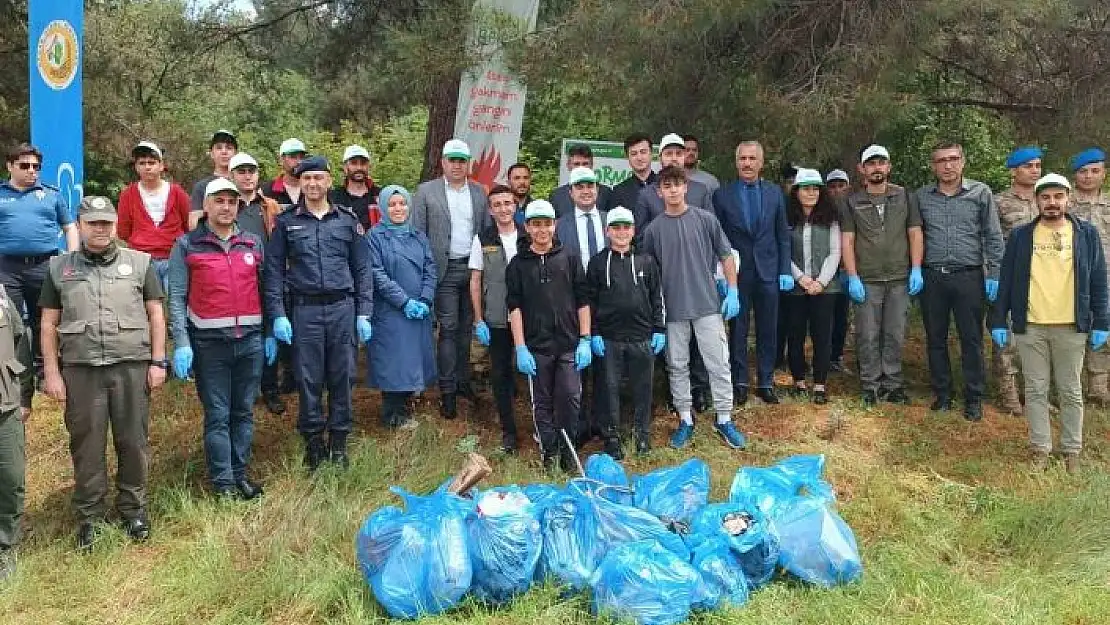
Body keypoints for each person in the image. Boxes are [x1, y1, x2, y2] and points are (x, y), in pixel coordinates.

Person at [39, 196, 167, 551]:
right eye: (92, 223)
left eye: (106, 223)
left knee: (134, 443)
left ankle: (133, 511)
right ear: (79, 226)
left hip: (131, 367)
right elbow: (48, 323)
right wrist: (52, 371)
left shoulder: (140, 263)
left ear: (114, 226)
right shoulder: (58, 268)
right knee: (87, 446)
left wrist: (158, 362)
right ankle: (90, 518)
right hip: (82, 372)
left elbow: (156, 312)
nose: (100, 229)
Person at [990, 173, 1108, 474]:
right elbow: (1006, 281)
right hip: (1031, 326)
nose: (1052, 203)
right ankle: (1040, 449)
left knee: (1070, 390)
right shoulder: (1021, 236)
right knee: (1036, 390)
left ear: (1068, 199)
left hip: (1071, 326)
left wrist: (1101, 321)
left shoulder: (1086, 234)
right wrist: (998, 318)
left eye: (1058, 197)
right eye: (1046, 197)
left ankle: (1071, 451)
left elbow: (1097, 280)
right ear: (1037, 200)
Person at [263, 156, 372, 471]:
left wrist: (364, 312)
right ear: (300, 183)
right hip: (305, 311)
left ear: (328, 181)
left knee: (343, 377)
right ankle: (314, 444)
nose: (312, 184)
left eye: (318, 178)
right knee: (308, 379)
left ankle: (338, 442)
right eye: (306, 178)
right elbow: (273, 273)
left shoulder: (347, 221)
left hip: (342, 309)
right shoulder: (286, 222)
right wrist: (278, 314)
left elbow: (362, 270)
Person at [168, 178, 266, 500]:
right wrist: (181, 342)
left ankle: (240, 475)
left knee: (244, 412)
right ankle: (223, 483)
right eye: (219, 200)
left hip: (250, 341)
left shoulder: (252, 242)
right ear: (206, 205)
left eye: (231, 201)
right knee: (218, 415)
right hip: (210, 346)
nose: (226, 207)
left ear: (239, 205)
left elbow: (265, 290)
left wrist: (269, 333)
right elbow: (177, 296)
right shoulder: (187, 245)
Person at [642, 165, 745, 449]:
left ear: (686, 187)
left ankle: (724, 418)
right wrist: (655, 314)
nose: (673, 189)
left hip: (708, 305)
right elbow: (648, 274)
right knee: (677, 366)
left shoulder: (706, 220)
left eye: (678, 184)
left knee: (719, 364)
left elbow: (726, 256)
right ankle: (686, 419)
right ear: (659, 191)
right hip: (672, 310)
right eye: (667, 185)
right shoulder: (653, 230)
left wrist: (733, 291)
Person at [915, 141, 1004, 421]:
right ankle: (942, 394)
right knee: (936, 338)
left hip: (969, 276)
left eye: (953, 159)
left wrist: (994, 274)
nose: (948, 165)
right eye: (941, 160)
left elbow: (993, 236)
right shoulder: (921, 197)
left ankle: (974, 397)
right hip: (933, 277)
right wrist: (914, 270)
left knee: (972, 339)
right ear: (933, 166)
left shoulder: (981, 193)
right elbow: (915, 234)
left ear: (963, 162)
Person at [507, 199, 592, 470]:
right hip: (536, 347)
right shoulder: (518, 265)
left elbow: (582, 300)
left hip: (568, 343)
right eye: (536, 224)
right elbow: (514, 307)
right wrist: (520, 346)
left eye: (547, 223)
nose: (542, 230)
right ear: (528, 227)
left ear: (555, 225)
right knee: (541, 403)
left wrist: (586, 339)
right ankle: (549, 452)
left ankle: (568, 450)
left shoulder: (569, 258)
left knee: (569, 397)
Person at [411, 138, 489, 419]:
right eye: (452, 160)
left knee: (467, 329)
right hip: (443, 269)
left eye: (462, 160)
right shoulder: (425, 192)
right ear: (442, 162)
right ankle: (447, 391)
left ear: (468, 164)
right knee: (449, 328)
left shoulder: (480, 193)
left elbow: (485, 231)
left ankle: (463, 382)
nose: (457, 165)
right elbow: (418, 234)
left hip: (472, 270)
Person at [840, 145, 923, 406]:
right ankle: (870, 384)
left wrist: (917, 268)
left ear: (889, 166)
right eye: (871, 163)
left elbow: (915, 233)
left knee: (895, 333)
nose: (877, 167)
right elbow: (847, 240)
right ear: (862, 169)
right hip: (867, 279)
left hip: (899, 277)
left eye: (881, 162)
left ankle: (893, 383)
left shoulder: (904, 196)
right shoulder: (852, 201)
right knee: (867, 334)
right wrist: (852, 276)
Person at [713, 140, 793, 405]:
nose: (747, 163)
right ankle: (740, 382)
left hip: (769, 271)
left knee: (768, 329)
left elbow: (782, 235)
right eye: (742, 159)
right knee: (738, 329)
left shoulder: (774, 194)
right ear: (736, 162)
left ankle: (766, 381)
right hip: (738, 274)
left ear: (761, 162)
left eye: (751, 158)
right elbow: (719, 239)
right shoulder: (722, 195)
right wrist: (723, 276)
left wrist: (784, 269)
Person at [586, 207, 665, 457]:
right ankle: (611, 437)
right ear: (607, 231)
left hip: (642, 336)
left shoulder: (646, 260)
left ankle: (642, 435)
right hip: (609, 338)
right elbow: (590, 300)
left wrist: (659, 328)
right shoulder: (598, 262)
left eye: (626, 227)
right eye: (616, 227)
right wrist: (593, 332)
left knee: (643, 388)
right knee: (608, 389)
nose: (621, 232)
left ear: (634, 230)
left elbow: (657, 296)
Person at [0, 143, 79, 383]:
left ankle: (46, 368)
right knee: (9, 321)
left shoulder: (51, 195)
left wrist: (70, 258)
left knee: (45, 319)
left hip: (44, 265)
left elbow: (69, 227)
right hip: (6, 268)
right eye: (25, 166)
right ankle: (12, 372)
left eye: (36, 166)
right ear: (10, 166)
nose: (32, 171)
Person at [366, 185, 437, 429]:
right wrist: (404, 301)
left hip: (418, 311)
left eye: (402, 203)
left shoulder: (419, 236)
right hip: (391, 311)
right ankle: (392, 414)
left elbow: (430, 269)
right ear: (384, 207)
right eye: (392, 204)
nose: (398, 209)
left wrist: (426, 299)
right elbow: (376, 273)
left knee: (414, 360)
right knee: (393, 363)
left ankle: (407, 407)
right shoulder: (374, 237)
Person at [228, 153, 289, 416]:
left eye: (251, 171)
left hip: (268, 275)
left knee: (269, 332)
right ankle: (243, 389)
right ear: (232, 176)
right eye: (241, 171)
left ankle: (271, 390)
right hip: (235, 279)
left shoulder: (271, 205)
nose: (247, 175)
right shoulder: (226, 205)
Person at [555, 167, 609, 443]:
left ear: (597, 189)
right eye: (580, 186)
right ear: (571, 192)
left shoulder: (609, 220)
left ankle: (601, 422)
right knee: (577, 365)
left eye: (590, 185)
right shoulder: (560, 225)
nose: (586, 190)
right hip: (573, 302)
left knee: (604, 366)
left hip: (607, 301)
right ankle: (579, 425)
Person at [471, 185, 525, 453]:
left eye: (508, 203)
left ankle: (540, 426)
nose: (504, 208)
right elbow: (476, 280)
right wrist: (479, 319)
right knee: (501, 374)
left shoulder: (528, 235)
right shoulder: (483, 239)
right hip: (497, 318)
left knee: (530, 372)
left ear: (515, 206)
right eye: (498, 204)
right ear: (491, 210)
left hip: (529, 318)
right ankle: (509, 432)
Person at [992, 146, 1043, 415]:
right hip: (1011, 280)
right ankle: (1009, 396)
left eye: (1037, 166)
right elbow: (991, 241)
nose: (1034, 171)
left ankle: (1037, 396)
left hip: (1046, 282)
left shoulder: (1047, 199)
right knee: (1007, 342)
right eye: (1028, 166)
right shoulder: (999, 202)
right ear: (1014, 171)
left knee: (1037, 342)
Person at [783, 169, 841, 404]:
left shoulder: (831, 218)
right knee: (795, 334)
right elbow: (782, 252)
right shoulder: (787, 219)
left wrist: (820, 281)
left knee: (822, 335)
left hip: (825, 288)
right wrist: (801, 279)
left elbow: (835, 252)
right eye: (806, 188)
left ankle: (819, 384)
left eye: (816, 188)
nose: (811, 193)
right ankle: (798, 380)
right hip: (795, 287)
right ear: (796, 191)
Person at [116, 141, 192, 289]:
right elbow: (123, 231)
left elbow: (188, 224)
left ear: (161, 165)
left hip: (174, 257)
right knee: (145, 307)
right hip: (141, 259)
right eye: (142, 163)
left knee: (176, 303)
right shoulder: (128, 195)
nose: (147, 167)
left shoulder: (177, 192)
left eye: (152, 162)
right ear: (136, 167)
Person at [1067, 147, 1110, 405]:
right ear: (1075, 176)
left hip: (1106, 279)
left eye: (1095, 171)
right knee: (1074, 333)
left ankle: (1098, 389)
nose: (1089, 176)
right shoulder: (1065, 205)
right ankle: (1071, 388)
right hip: (1073, 278)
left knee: (1103, 332)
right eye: (1083, 172)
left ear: (1104, 174)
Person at [0, 285, 33, 580]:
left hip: (4, 406)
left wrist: (24, 395)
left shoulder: (0, 295)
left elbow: (20, 341)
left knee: (10, 479)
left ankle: (4, 548)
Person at [634, 133, 714, 229]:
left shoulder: (701, 190)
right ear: (660, 159)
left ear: (684, 157)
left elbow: (711, 228)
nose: (674, 158)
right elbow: (642, 236)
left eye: (678, 153)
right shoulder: (646, 195)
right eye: (669, 154)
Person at [825, 168, 851, 372]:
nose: (836, 191)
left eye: (841, 186)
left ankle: (836, 356)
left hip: (848, 272)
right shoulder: (821, 211)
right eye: (832, 187)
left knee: (842, 316)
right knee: (825, 317)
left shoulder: (855, 208)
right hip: (825, 272)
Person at [549, 144, 613, 217]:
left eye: (585, 164)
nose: (581, 168)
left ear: (591, 165)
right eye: (576, 164)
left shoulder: (606, 193)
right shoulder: (556, 196)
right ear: (568, 166)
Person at [329, 145, 382, 232]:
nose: (359, 168)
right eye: (354, 163)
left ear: (368, 166)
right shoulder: (333, 197)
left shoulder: (380, 195)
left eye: (363, 163)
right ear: (345, 167)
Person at [189, 130, 238, 220]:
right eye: (219, 148)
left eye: (229, 148)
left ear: (235, 153)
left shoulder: (243, 184)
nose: (224, 152)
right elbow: (194, 222)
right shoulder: (201, 187)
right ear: (211, 153)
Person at [611, 133, 657, 215]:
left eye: (643, 152)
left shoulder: (664, 185)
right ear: (627, 157)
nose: (639, 158)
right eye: (634, 154)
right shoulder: (619, 191)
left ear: (651, 154)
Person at [261, 138, 307, 207]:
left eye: (302, 157)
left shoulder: (313, 189)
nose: (299, 162)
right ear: (281, 159)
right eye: (293, 157)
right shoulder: (266, 191)